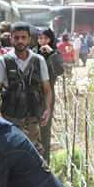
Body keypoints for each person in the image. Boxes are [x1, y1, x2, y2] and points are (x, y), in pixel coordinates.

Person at [0, 22, 52, 155]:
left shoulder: (39, 61)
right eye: (16, 37)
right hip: (10, 119)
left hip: (33, 120)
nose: (20, 41)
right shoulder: (3, 61)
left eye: (23, 37)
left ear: (29, 39)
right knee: (12, 156)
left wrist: (47, 108)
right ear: (11, 38)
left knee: (35, 158)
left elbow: (47, 89)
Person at [36, 28, 63, 164]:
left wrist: (52, 54)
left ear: (51, 39)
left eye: (45, 38)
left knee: (45, 128)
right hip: (33, 96)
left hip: (47, 96)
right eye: (40, 38)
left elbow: (59, 71)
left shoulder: (55, 54)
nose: (42, 41)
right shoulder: (33, 54)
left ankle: (46, 161)